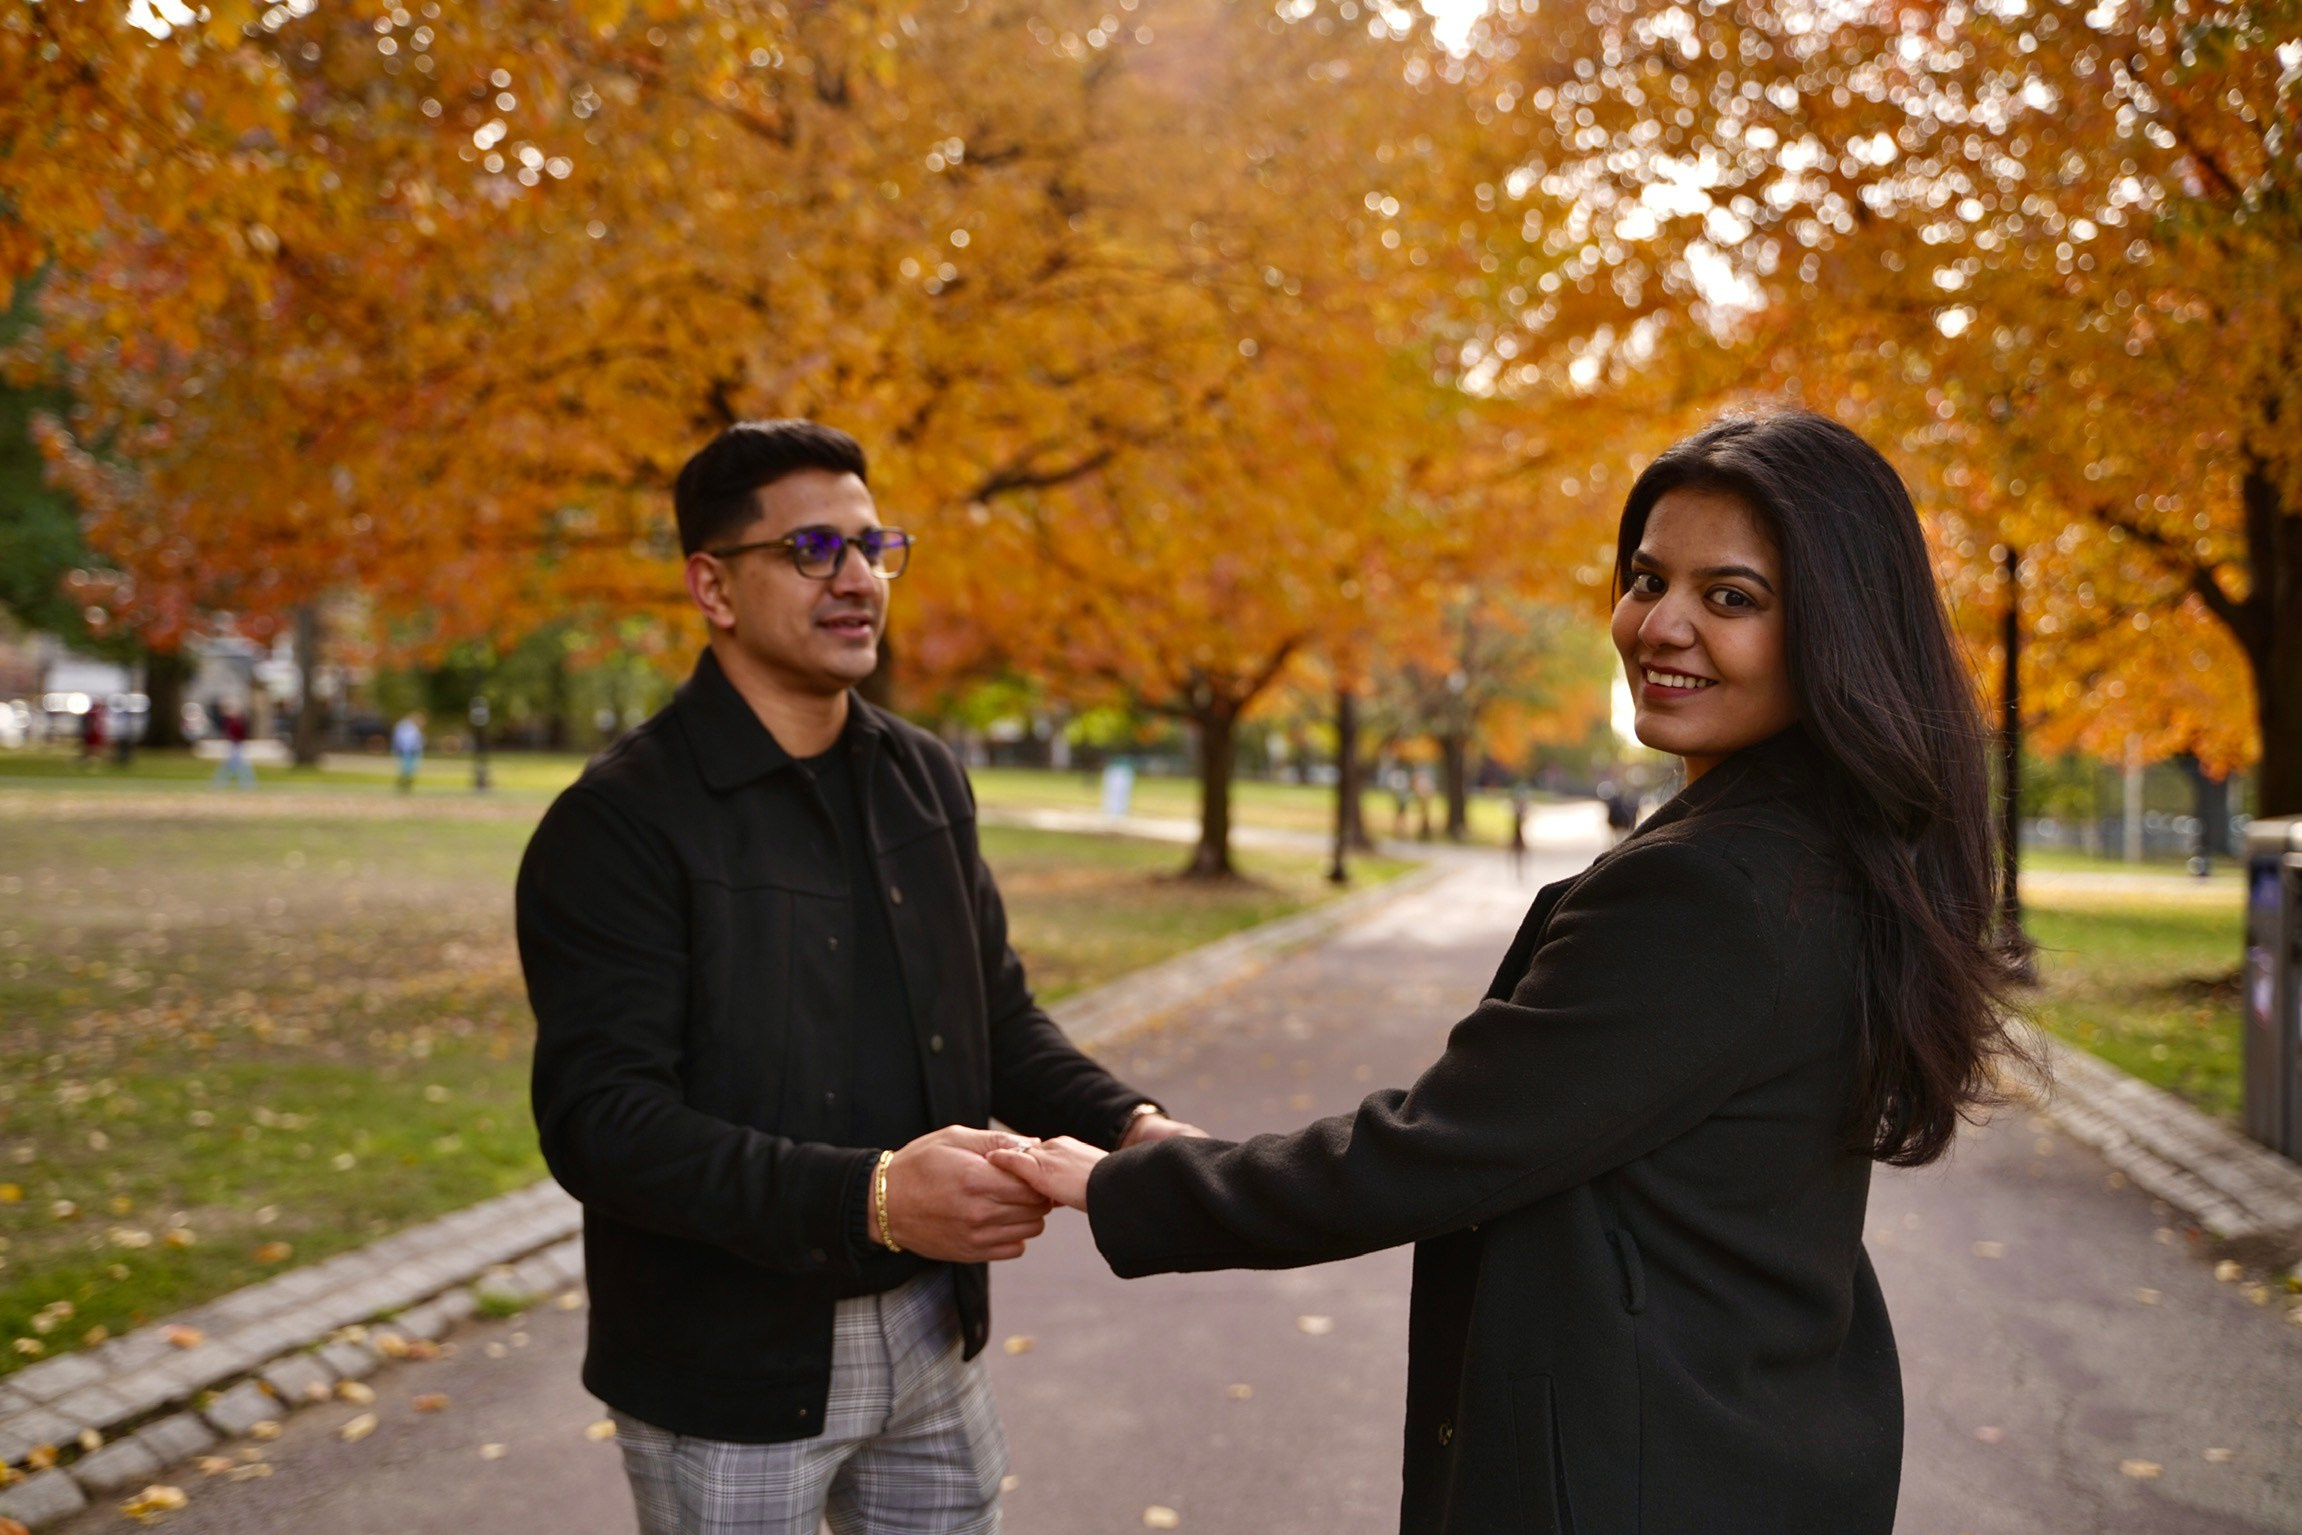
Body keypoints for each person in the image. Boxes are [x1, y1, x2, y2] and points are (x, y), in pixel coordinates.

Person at [992, 411, 2027, 1535]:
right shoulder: (1836, 848)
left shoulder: (1714, 887)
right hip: (1756, 1435)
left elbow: (1436, 1148)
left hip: (1637, 1466)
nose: (1659, 624)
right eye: (1645, 578)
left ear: (1835, 627)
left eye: (1731, 597)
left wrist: (1119, 1183)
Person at [517, 419, 1199, 1535]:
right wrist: (875, 1197)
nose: (859, 579)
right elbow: (605, 1124)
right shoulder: (618, 823)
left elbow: (996, 1018)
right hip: (726, 1367)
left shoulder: (924, 776)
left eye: (874, 545)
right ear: (713, 585)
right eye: (811, 551)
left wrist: (1131, 1128)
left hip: (935, 1336)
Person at [212, 702, 255, 788]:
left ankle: (245, 783)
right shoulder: (231, 722)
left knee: (238, 766)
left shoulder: (237, 721)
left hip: (237, 745)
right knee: (232, 766)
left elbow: (241, 734)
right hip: (234, 745)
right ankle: (222, 783)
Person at [391, 711, 426, 791]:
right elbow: (404, 740)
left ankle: (406, 784)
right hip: (406, 750)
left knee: (411, 769)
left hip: (413, 750)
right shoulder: (405, 726)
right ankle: (403, 784)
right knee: (406, 768)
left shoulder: (415, 728)